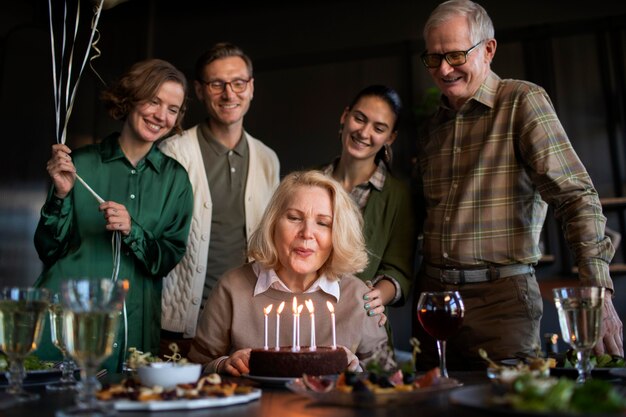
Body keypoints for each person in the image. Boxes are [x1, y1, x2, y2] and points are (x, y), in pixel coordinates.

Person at [413, 0, 623, 370]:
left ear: (488, 49)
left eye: (456, 55)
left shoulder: (521, 101)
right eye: (433, 58)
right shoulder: (432, 128)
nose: (444, 69)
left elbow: (576, 197)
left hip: (502, 302)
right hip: (433, 301)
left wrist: (597, 293)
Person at [34, 59, 193, 372]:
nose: (161, 116)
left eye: (172, 109)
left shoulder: (175, 180)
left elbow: (167, 258)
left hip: (134, 327)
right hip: (67, 323)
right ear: (131, 99)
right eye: (154, 101)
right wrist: (62, 195)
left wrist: (132, 229)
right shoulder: (80, 164)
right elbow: (48, 249)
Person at [188, 170, 388, 375]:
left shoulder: (359, 297)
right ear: (273, 223)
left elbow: (389, 379)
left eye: (322, 223)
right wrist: (223, 364)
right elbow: (196, 368)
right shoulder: (232, 287)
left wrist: (358, 370)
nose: (307, 233)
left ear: (337, 234)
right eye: (294, 218)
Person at [159, 42, 280, 357]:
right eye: (217, 84)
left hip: (248, 324)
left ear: (251, 88)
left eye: (238, 83)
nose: (230, 94)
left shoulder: (268, 159)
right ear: (199, 91)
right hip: (182, 325)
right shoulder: (174, 152)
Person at [322, 85, 416, 328]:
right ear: (345, 116)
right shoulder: (309, 182)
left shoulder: (400, 196)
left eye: (379, 128)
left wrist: (376, 296)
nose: (364, 132)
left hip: (360, 321)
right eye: (359, 119)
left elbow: (399, 272)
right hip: (304, 317)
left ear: (390, 138)